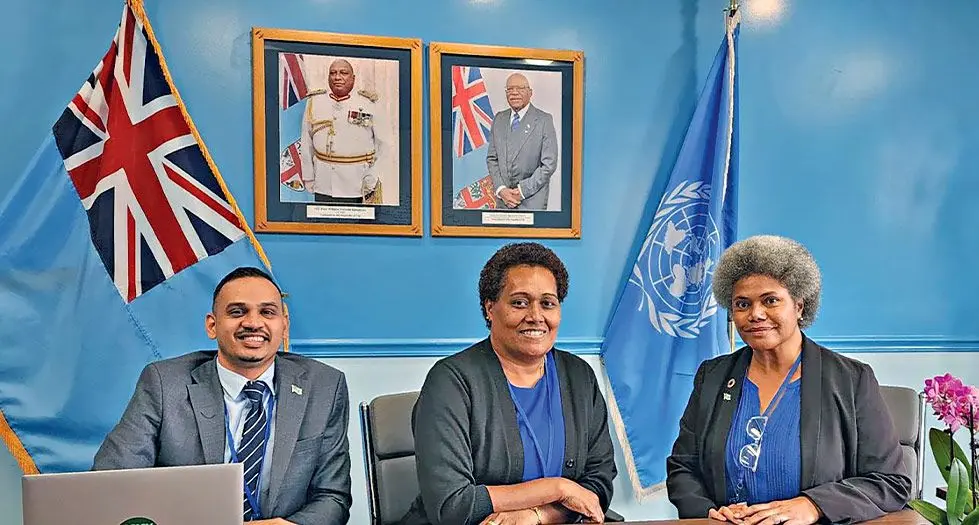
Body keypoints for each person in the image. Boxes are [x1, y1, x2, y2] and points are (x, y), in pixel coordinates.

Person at [666, 235, 911, 525]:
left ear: (799, 306)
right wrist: (707, 511)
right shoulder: (713, 376)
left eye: (770, 300)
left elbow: (891, 481)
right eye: (742, 304)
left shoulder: (851, 380)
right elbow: (683, 467)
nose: (755, 314)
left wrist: (814, 505)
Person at [93, 267, 352, 525]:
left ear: (284, 326)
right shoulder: (164, 383)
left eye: (267, 312)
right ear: (212, 325)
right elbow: (112, 482)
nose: (253, 323)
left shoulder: (324, 387)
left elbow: (333, 497)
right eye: (237, 312)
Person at [401, 242, 616, 525]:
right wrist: (558, 488)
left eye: (548, 303)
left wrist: (537, 516)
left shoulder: (579, 377)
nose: (536, 316)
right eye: (519, 302)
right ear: (490, 308)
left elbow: (598, 484)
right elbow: (453, 506)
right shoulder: (451, 381)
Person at [300, 58, 386, 204]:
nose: (337, 77)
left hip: (359, 183)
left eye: (343, 73)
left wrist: (373, 176)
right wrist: (308, 176)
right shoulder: (314, 102)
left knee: (359, 226)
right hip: (324, 182)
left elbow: (384, 144)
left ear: (353, 78)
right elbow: (306, 141)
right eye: (333, 73)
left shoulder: (368, 103)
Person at [486, 73, 558, 211]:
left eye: (520, 88)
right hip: (503, 202)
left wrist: (521, 191)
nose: (514, 93)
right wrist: (501, 190)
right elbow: (492, 159)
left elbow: (549, 165)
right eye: (510, 89)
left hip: (531, 202)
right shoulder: (499, 119)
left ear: (530, 93)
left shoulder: (544, 120)